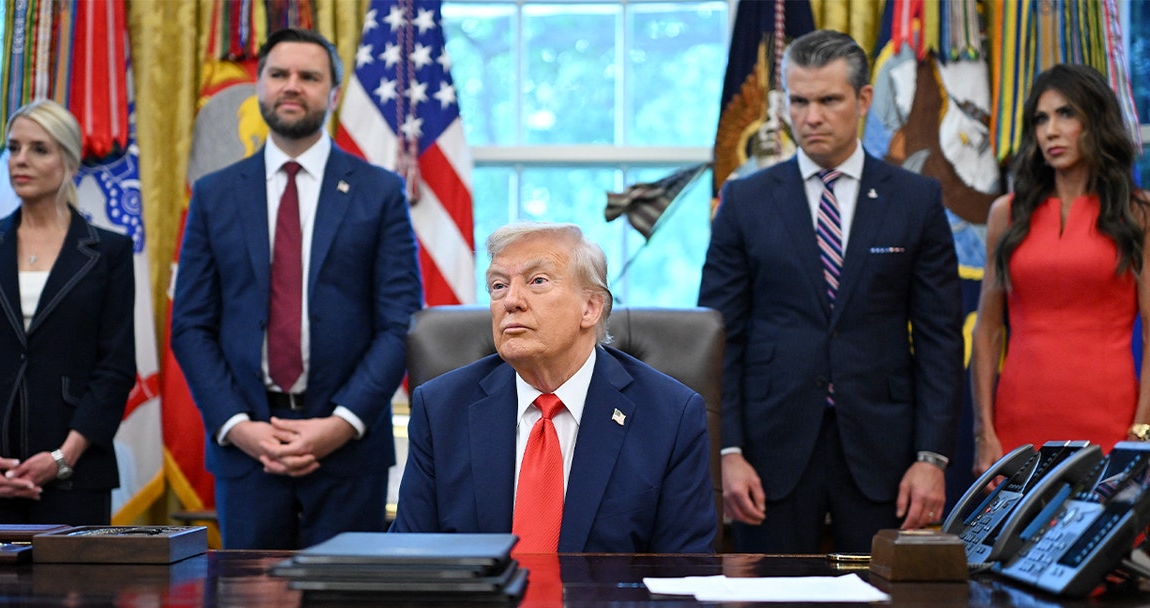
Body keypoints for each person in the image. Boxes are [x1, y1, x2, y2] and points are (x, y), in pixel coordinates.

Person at [699, 30, 963, 554]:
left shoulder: (916, 199)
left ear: (863, 101)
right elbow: (720, 339)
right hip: (767, 454)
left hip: (885, 453)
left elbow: (940, 341)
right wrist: (726, 451)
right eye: (799, 101)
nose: (811, 117)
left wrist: (931, 459)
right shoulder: (745, 200)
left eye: (828, 100)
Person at [171, 27, 423, 549]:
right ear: (259, 86)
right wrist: (239, 426)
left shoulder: (379, 192)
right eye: (279, 74)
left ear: (332, 94)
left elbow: (400, 322)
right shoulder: (215, 195)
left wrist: (340, 423)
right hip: (247, 449)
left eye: (309, 77)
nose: (292, 86)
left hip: (348, 450)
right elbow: (191, 326)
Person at [391, 222, 717, 553]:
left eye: (537, 281)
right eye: (498, 285)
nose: (511, 301)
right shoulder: (441, 408)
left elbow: (683, 575)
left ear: (590, 308)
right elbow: (408, 558)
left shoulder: (669, 416)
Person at [0, 99, 136, 527]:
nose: (21, 161)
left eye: (39, 149)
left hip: (77, 475)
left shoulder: (109, 252)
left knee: (77, 592)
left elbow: (116, 366)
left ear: (68, 160)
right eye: (13, 148)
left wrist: (63, 458)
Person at [972, 64, 1150, 474]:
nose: (1051, 130)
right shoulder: (1007, 213)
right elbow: (987, 329)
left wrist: (1141, 431)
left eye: (1066, 114)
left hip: (1111, 419)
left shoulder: (1137, 213)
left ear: (1096, 120)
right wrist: (985, 431)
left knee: (1100, 537)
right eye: (1041, 118)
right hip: (1018, 420)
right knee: (1016, 537)